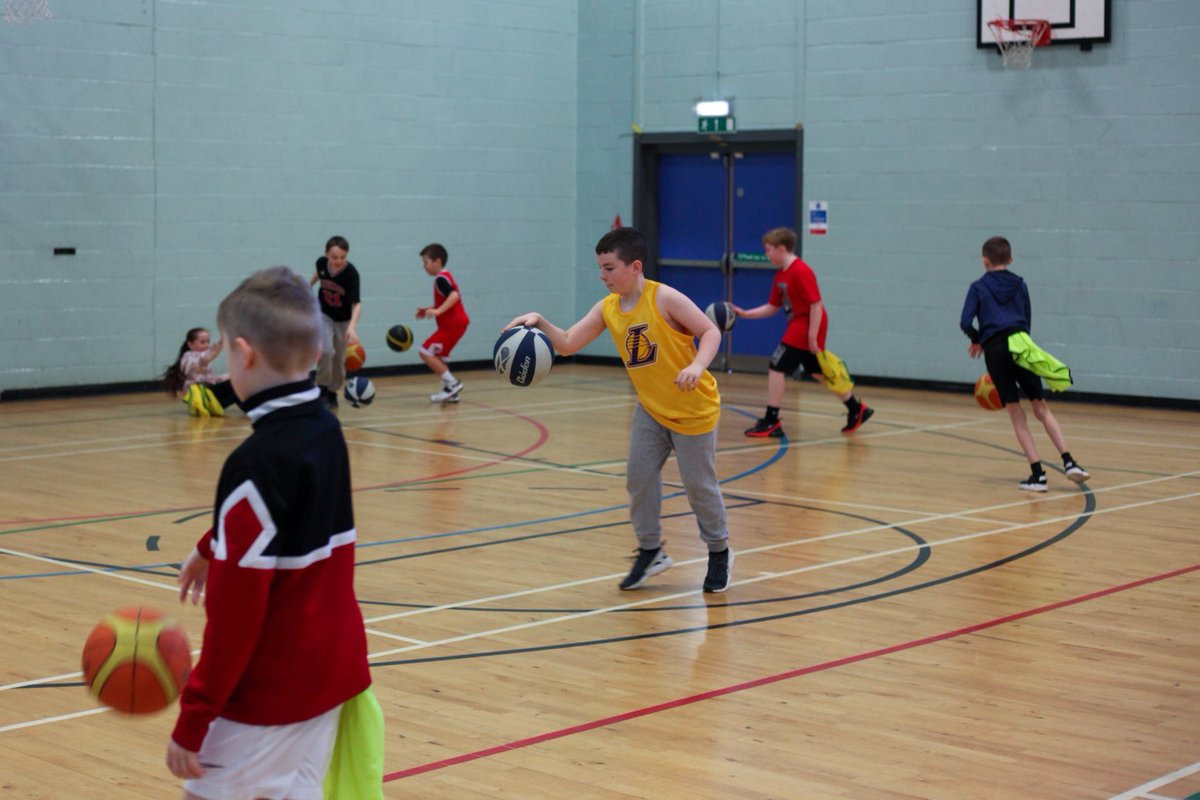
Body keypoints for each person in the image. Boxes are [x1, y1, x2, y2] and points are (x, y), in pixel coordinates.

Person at [167, 266, 383, 799]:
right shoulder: (325, 429)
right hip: (330, 676)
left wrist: (194, 716)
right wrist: (209, 545)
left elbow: (236, 620)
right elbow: (290, 519)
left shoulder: (253, 464)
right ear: (315, 353)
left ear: (242, 354)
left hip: (268, 695)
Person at [504, 227, 733, 593]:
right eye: (600, 268)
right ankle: (651, 549)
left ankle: (719, 550)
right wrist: (540, 322)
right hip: (651, 410)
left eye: (609, 268)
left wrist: (697, 366)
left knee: (699, 489)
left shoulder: (665, 298)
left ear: (634, 266)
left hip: (693, 409)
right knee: (638, 478)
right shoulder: (607, 308)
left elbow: (710, 332)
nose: (602, 276)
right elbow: (566, 344)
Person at [960, 236, 1091, 491]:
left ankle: (1037, 475)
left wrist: (978, 340)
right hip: (1021, 344)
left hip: (996, 349)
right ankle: (1069, 461)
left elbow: (965, 322)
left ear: (984, 261)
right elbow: (1026, 319)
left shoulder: (978, 287)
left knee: (1015, 412)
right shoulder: (1020, 284)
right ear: (1010, 259)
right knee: (1041, 406)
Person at [735, 227, 873, 438]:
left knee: (776, 366)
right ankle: (856, 408)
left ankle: (772, 420)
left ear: (781, 249)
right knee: (817, 371)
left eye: (769, 250)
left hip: (808, 324)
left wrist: (812, 336)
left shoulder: (801, 271)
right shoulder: (781, 272)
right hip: (800, 323)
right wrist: (745, 313)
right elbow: (773, 306)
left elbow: (816, 305)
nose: (766, 255)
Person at [310, 235, 362, 409]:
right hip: (324, 314)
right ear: (326, 254)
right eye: (334, 257)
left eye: (342, 257)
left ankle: (332, 391)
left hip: (343, 320)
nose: (338, 261)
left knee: (339, 361)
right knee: (326, 350)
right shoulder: (321, 263)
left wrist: (352, 327)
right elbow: (319, 273)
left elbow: (357, 304)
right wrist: (307, 286)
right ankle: (322, 389)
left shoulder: (351, 274)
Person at [416, 242, 471, 403]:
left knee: (425, 351)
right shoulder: (445, 276)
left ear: (437, 262)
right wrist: (429, 309)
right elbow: (448, 299)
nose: (424, 266)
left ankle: (453, 383)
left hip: (453, 324)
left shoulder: (441, 279)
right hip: (456, 323)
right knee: (439, 356)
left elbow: (454, 296)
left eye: (426, 262)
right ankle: (450, 391)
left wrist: (438, 311)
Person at [161, 327, 238, 416]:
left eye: (208, 341)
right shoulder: (188, 357)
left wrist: (225, 335)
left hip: (209, 392)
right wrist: (211, 356)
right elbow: (202, 362)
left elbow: (216, 348)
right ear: (190, 344)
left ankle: (248, 406)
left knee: (238, 380)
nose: (206, 345)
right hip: (204, 397)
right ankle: (250, 407)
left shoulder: (201, 354)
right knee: (237, 384)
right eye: (202, 342)